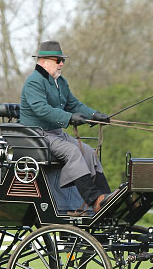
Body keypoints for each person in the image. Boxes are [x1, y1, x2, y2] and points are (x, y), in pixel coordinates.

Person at [19, 41, 111, 213]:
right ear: (43, 61)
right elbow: (42, 109)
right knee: (72, 152)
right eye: (58, 60)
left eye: (63, 60)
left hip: (55, 134)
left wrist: (94, 115)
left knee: (89, 153)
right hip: (37, 136)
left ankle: (106, 197)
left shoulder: (60, 82)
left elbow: (73, 104)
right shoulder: (34, 82)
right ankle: (93, 200)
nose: (62, 64)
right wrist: (69, 118)